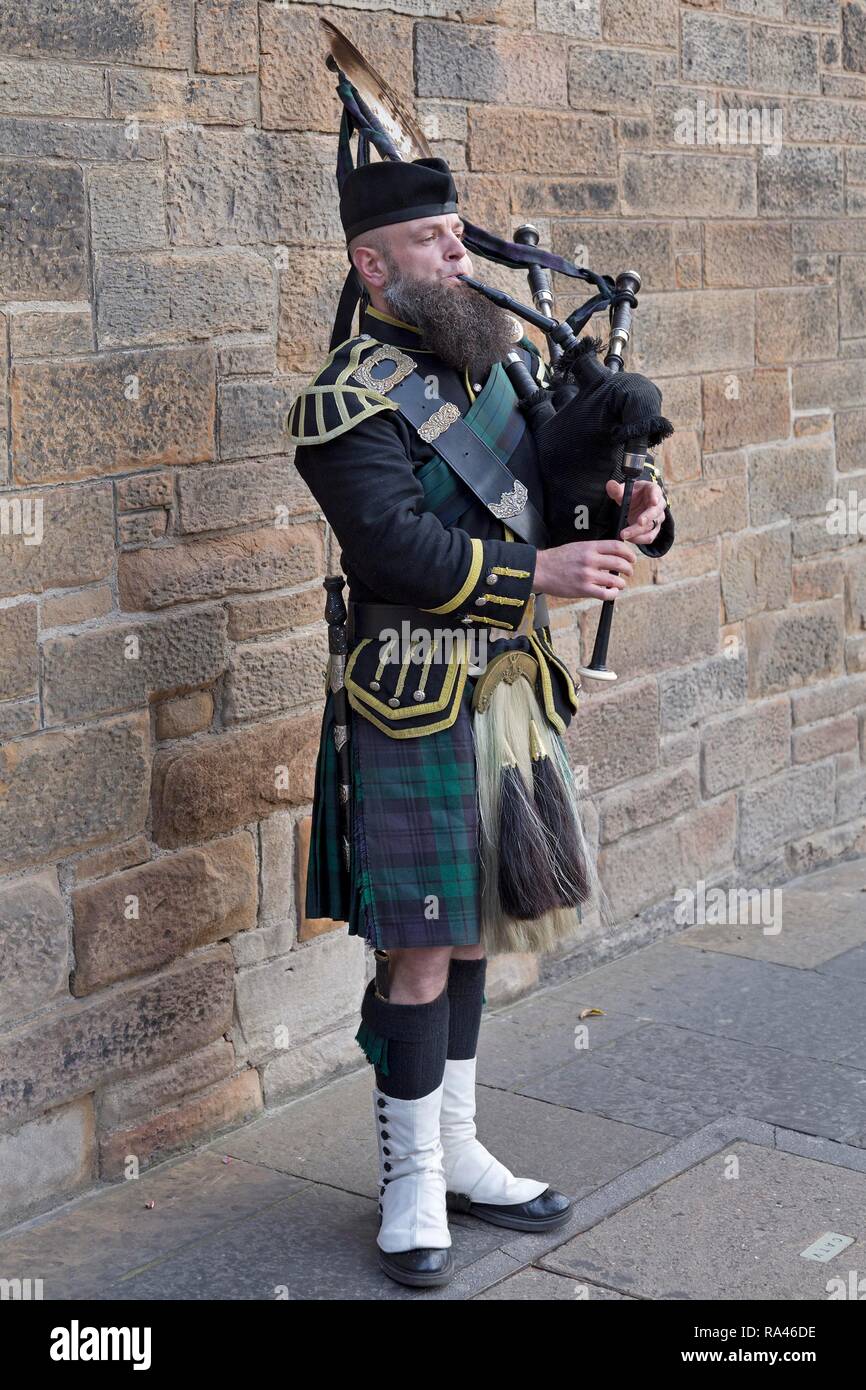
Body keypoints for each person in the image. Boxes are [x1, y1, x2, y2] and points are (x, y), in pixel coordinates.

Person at [288, 157, 674, 1289]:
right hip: (406, 692)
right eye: (435, 240)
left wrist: (634, 514)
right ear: (373, 263)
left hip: (506, 689)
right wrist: (543, 569)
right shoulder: (342, 399)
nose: (462, 256)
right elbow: (393, 548)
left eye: (461, 235)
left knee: (470, 937)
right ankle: (408, 1179)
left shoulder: (499, 366)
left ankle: (456, 1150)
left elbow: (565, 492)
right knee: (414, 950)